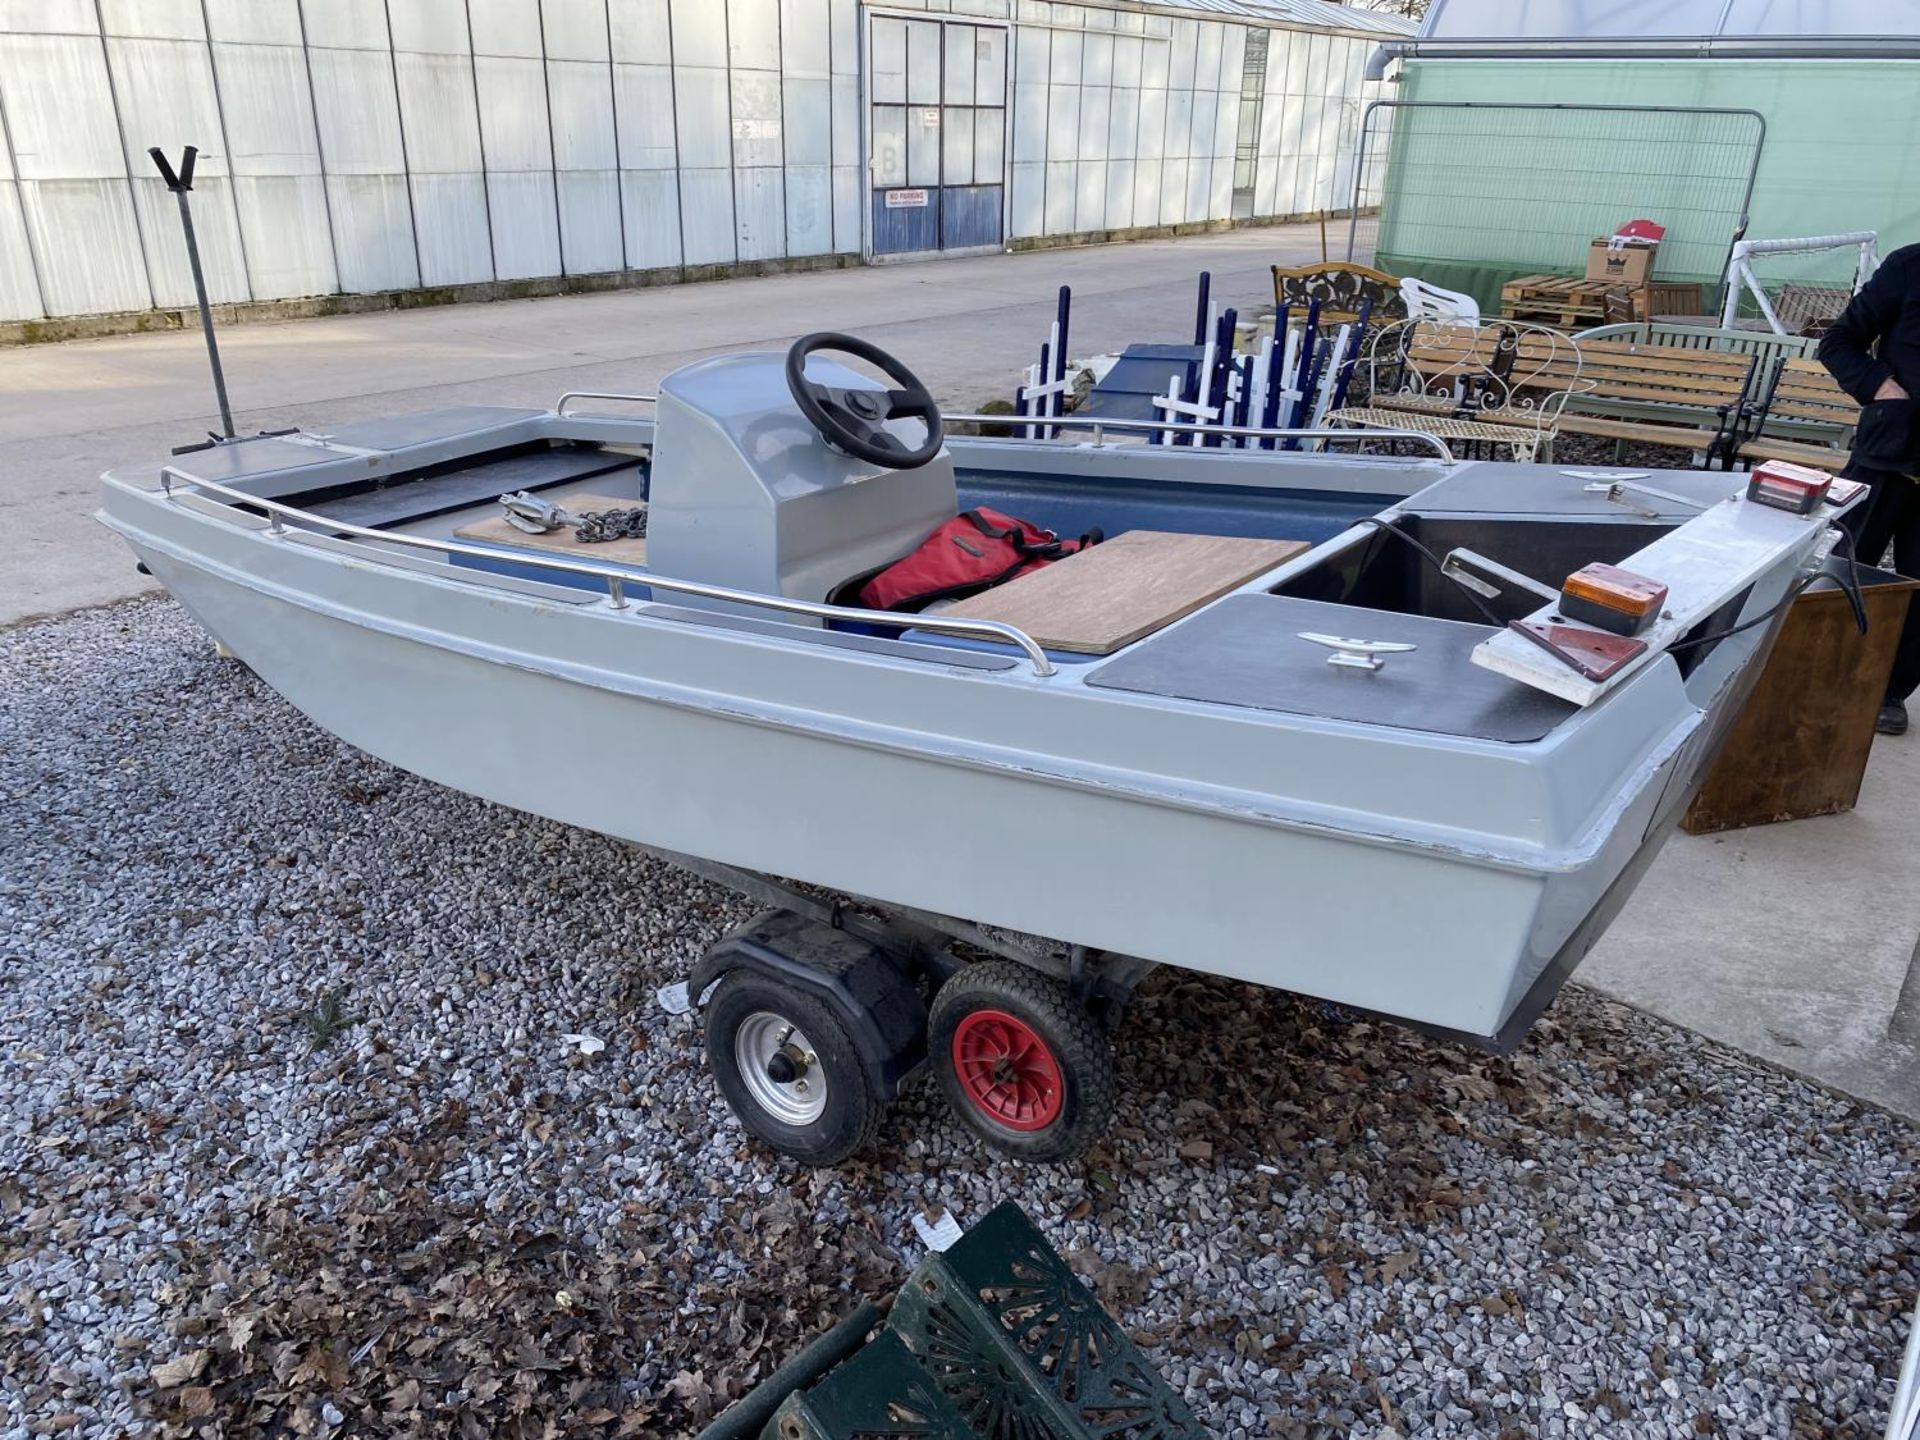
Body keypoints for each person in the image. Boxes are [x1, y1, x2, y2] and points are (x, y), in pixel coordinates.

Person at [1818, 243, 1920, 735]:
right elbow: (1838, 342)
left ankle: (1890, 691)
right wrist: (1883, 388)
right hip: (1884, 454)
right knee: (1840, 567)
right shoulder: (1910, 266)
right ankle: (1813, 670)